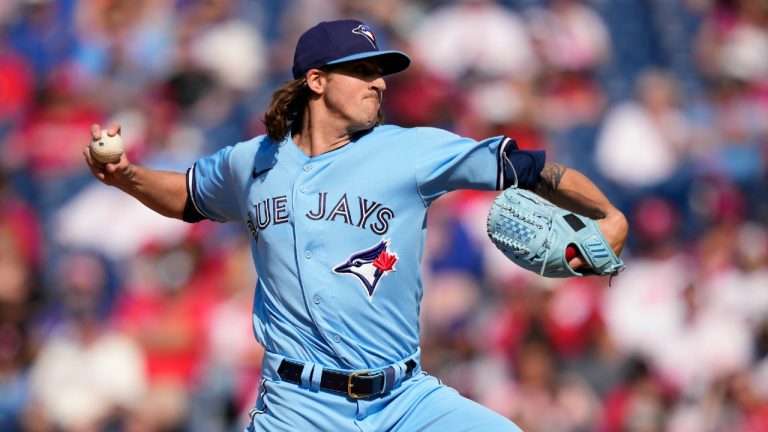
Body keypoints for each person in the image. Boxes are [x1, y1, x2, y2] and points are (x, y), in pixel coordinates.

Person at [83, 19, 628, 432]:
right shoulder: (249, 163)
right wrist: (126, 176)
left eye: (381, 73)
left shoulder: (412, 151)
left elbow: (535, 168)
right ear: (316, 81)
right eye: (363, 71)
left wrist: (609, 216)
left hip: (405, 399)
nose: (380, 84)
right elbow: (186, 196)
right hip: (298, 406)